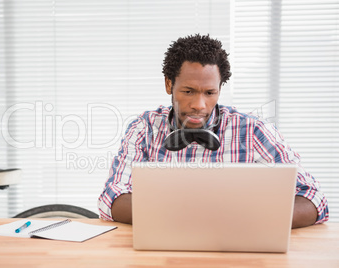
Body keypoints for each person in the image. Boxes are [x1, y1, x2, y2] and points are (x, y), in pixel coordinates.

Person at [97, 34, 329, 228]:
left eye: (209, 93)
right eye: (188, 91)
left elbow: (314, 198)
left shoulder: (254, 131)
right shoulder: (144, 128)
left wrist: (246, 220)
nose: (199, 105)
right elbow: (112, 197)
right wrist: (194, 218)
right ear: (169, 84)